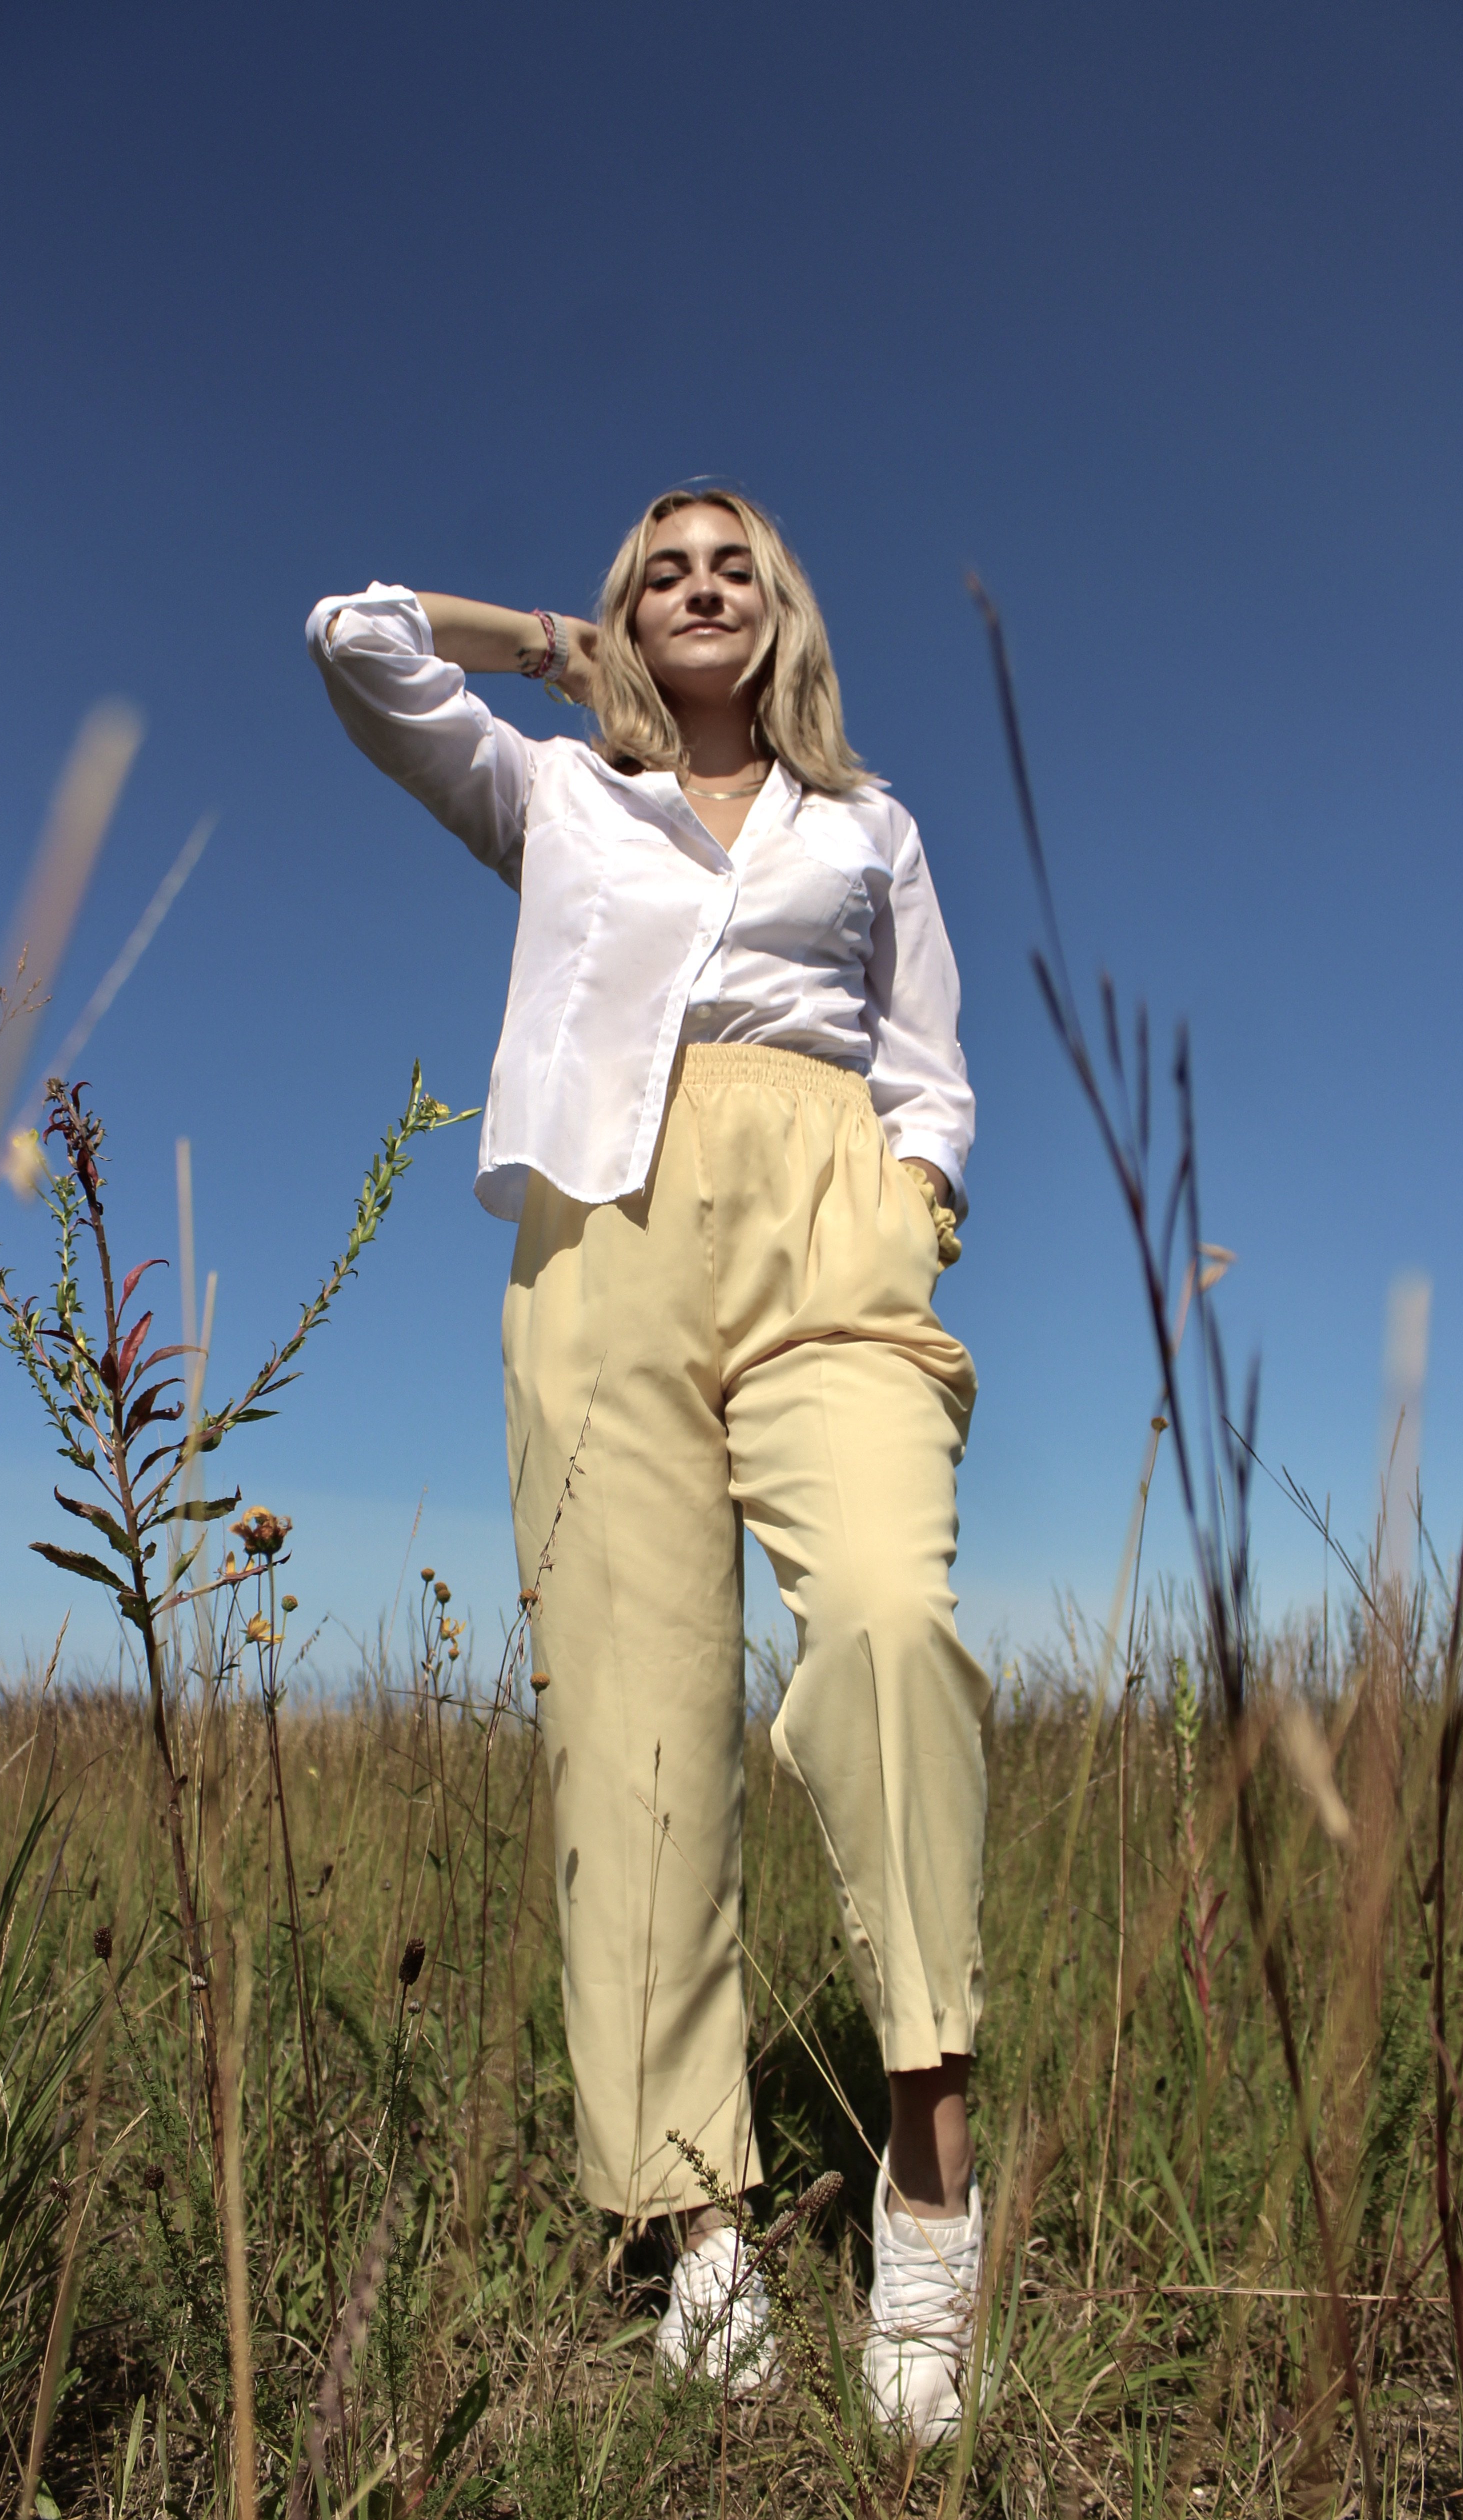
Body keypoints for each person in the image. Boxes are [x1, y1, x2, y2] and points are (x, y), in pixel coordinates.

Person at [307, 489, 990, 2443]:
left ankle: (931, 2153)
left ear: (785, 613)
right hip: (604, 1237)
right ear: (629, 611)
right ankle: (693, 2214)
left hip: (827, 1225)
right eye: (662, 566)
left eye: (735, 563)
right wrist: (536, 642)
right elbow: (352, 639)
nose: (702, 585)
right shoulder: (555, 800)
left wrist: (908, 1198)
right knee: (638, 1724)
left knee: (879, 1623)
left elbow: (926, 1057)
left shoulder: (867, 829)